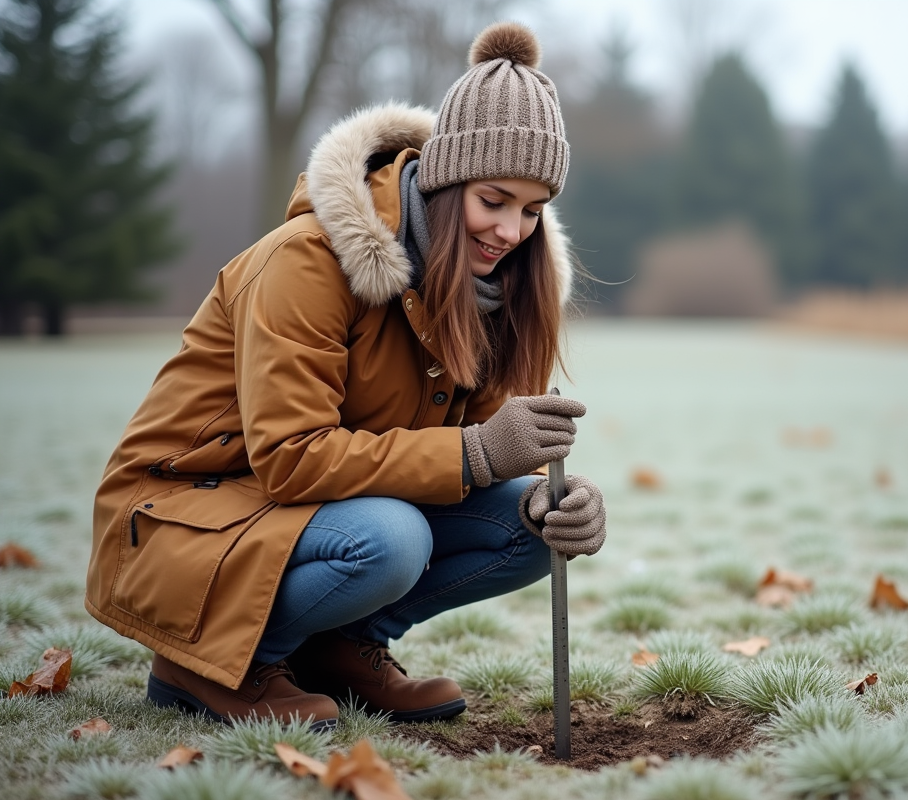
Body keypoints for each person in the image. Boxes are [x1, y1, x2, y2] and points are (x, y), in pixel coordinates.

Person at [84, 21, 606, 731]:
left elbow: (488, 443)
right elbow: (290, 458)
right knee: (391, 539)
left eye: (532, 211)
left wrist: (555, 496)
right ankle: (208, 666)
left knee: (527, 527)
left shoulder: (491, 286)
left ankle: (338, 649)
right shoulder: (307, 261)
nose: (512, 232)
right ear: (445, 181)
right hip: (181, 516)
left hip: (313, 512)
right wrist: (480, 452)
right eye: (494, 200)